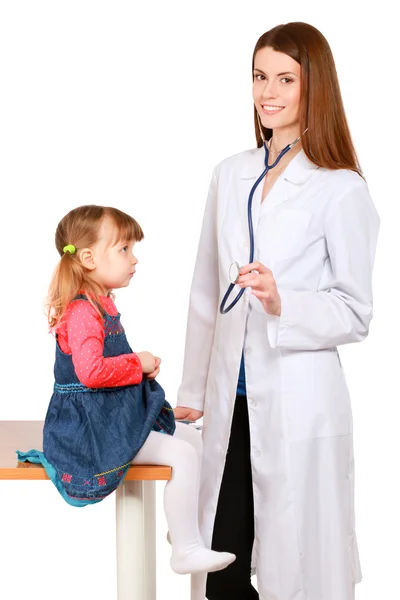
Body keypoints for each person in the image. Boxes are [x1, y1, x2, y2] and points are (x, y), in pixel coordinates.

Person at [174, 21, 380, 600]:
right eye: (260, 77)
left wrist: (282, 301)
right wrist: (192, 389)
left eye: (285, 79)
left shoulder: (341, 190)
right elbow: (204, 292)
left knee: (300, 568)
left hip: (297, 402)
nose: (268, 92)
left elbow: (354, 311)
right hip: (228, 400)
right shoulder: (230, 173)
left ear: (314, 86)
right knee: (223, 563)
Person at [17, 204, 235, 576]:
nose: (134, 259)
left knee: (195, 442)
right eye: (124, 249)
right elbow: (92, 373)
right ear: (87, 258)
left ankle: (185, 529)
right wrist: (140, 362)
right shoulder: (84, 311)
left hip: (110, 419)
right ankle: (186, 549)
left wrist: (160, 406)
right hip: (93, 431)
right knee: (181, 455)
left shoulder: (101, 303)